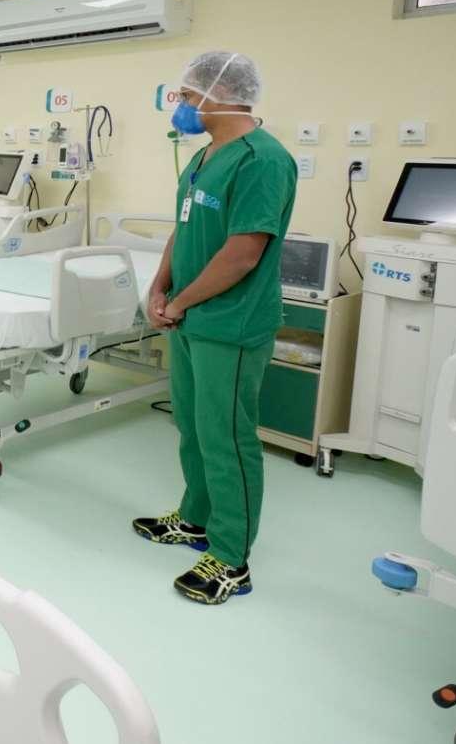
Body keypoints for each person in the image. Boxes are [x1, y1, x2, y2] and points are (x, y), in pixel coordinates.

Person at [134, 51, 297, 605]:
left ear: (217, 95)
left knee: (227, 436)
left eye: (185, 95)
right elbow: (182, 230)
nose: (179, 105)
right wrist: (159, 288)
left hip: (231, 322)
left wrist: (180, 302)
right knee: (192, 424)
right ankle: (196, 518)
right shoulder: (204, 157)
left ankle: (231, 557)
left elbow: (243, 254)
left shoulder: (262, 161)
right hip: (189, 316)